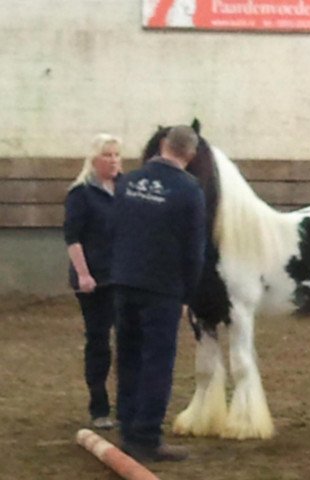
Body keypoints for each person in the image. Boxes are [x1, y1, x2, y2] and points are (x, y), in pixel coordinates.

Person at [111, 125, 206, 462]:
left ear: (163, 145)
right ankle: (147, 437)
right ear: (190, 155)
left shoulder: (127, 182)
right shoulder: (189, 190)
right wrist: (187, 295)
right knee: (157, 362)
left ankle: (126, 426)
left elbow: (115, 229)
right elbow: (194, 250)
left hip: (124, 281)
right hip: (162, 288)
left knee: (128, 355)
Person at [63, 133, 123, 429]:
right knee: (99, 340)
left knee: (127, 341)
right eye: (107, 155)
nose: (113, 160)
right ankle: (99, 406)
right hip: (95, 281)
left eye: (116, 155)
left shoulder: (126, 189)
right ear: (95, 160)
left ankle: (127, 404)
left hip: (123, 277)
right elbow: (73, 238)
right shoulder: (81, 194)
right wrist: (84, 274)